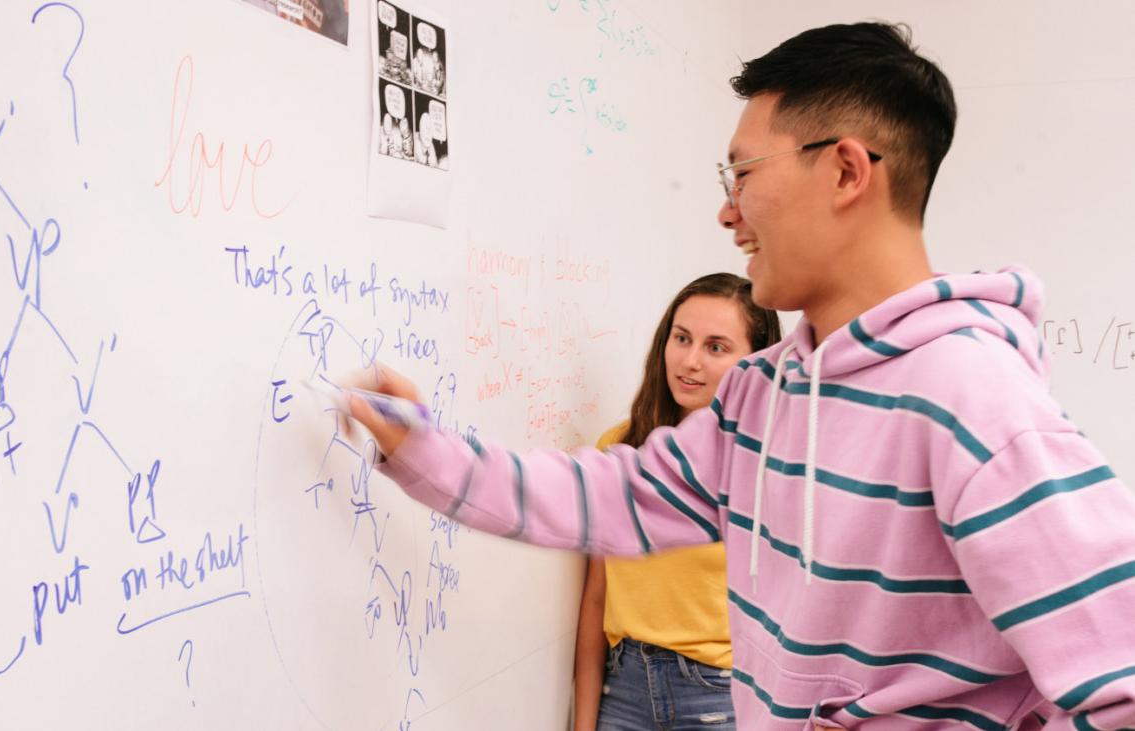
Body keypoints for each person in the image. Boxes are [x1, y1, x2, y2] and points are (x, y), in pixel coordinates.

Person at [349, 22, 1135, 729]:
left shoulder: (975, 396)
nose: (728, 213)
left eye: (743, 174)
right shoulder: (761, 396)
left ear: (847, 172)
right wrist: (423, 450)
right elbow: (608, 494)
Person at [574, 273, 781, 731]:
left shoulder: (770, 466)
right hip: (622, 691)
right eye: (682, 338)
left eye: (716, 347)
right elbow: (595, 600)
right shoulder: (621, 447)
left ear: (755, 361)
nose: (689, 362)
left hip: (722, 697)